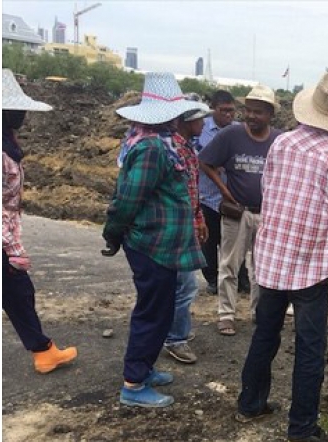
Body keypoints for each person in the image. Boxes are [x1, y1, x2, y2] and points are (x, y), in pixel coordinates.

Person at [237, 68, 328, 442]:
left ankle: (250, 403)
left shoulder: (282, 143)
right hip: (312, 265)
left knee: (265, 334)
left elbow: (268, 191)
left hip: (272, 257)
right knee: (310, 346)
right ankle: (301, 428)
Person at [102, 72, 206, 408]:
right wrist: (112, 233)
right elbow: (128, 199)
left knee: (159, 309)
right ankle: (133, 384)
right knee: (152, 312)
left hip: (162, 245)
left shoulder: (159, 143)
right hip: (152, 245)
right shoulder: (152, 149)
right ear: (170, 116)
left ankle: (143, 370)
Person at [2, 69, 78, 374]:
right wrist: (8, 247)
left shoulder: (5, 142)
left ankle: (44, 351)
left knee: (17, 293)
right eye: (15, 110)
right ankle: (44, 352)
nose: (22, 116)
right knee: (18, 290)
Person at [199, 85, 282, 336]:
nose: (252, 116)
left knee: (261, 268)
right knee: (229, 265)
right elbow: (205, 161)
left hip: (266, 214)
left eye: (259, 112)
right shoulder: (231, 136)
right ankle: (226, 314)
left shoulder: (278, 140)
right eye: (249, 110)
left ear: (270, 114)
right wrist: (224, 190)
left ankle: (259, 313)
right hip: (238, 212)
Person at [163, 95, 211, 365]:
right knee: (185, 285)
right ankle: (175, 338)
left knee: (182, 284)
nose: (203, 123)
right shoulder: (174, 150)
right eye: (199, 119)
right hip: (176, 230)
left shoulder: (188, 147)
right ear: (184, 121)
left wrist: (199, 218)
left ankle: (173, 331)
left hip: (188, 226)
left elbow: (193, 191)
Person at [196, 90, 238, 296]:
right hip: (207, 196)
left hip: (233, 198)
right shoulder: (201, 128)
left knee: (234, 241)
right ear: (214, 108)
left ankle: (239, 278)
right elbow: (199, 159)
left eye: (232, 111)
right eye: (224, 111)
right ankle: (212, 279)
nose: (228, 115)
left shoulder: (240, 131)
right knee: (209, 242)